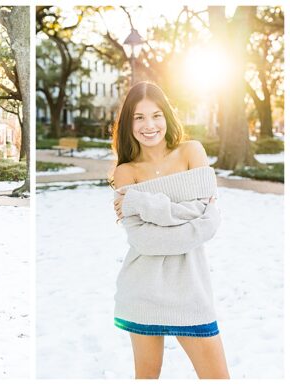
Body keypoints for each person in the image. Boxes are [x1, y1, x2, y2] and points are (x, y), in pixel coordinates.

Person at [110, 82, 228, 379]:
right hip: (142, 290)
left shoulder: (192, 152)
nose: (149, 125)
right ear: (128, 123)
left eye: (156, 115)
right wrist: (189, 215)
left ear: (168, 117)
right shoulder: (126, 171)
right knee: (147, 377)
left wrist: (141, 203)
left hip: (191, 291)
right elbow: (144, 241)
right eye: (139, 117)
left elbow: (208, 223)